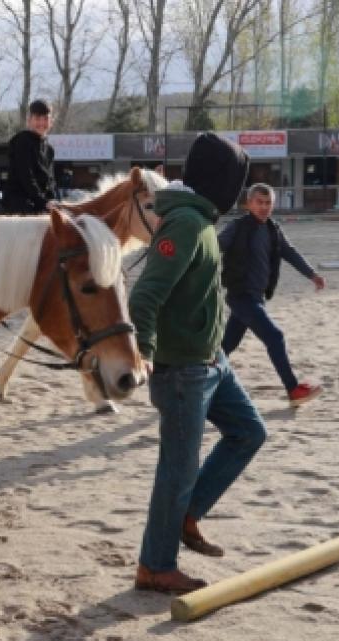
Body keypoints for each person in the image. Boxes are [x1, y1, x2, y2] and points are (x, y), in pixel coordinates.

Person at [128, 133, 268, 595]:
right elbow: (145, 295)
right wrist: (143, 353)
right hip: (183, 370)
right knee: (178, 468)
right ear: (219, 180)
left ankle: (188, 514)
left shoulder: (203, 218)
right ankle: (155, 566)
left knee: (249, 431)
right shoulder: (186, 224)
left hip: (212, 360)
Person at [218, 183, 325, 406]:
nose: (264, 207)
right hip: (240, 295)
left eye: (268, 203)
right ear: (249, 204)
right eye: (259, 202)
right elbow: (214, 246)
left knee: (226, 346)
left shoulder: (273, 230)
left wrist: (312, 274)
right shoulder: (236, 228)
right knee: (274, 337)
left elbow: (290, 253)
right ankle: (293, 389)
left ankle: (197, 382)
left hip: (256, 297)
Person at [0, 99, 56, 215]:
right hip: (19, 200)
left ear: (51, 122)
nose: (41, 123)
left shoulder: (49, 149)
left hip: (39, 202)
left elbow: (50, 180)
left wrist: (52, 200)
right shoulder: (22, 141)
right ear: (29, 121)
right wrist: (43, 202)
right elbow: (26, 177)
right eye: (37, 119)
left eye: (45, 119)